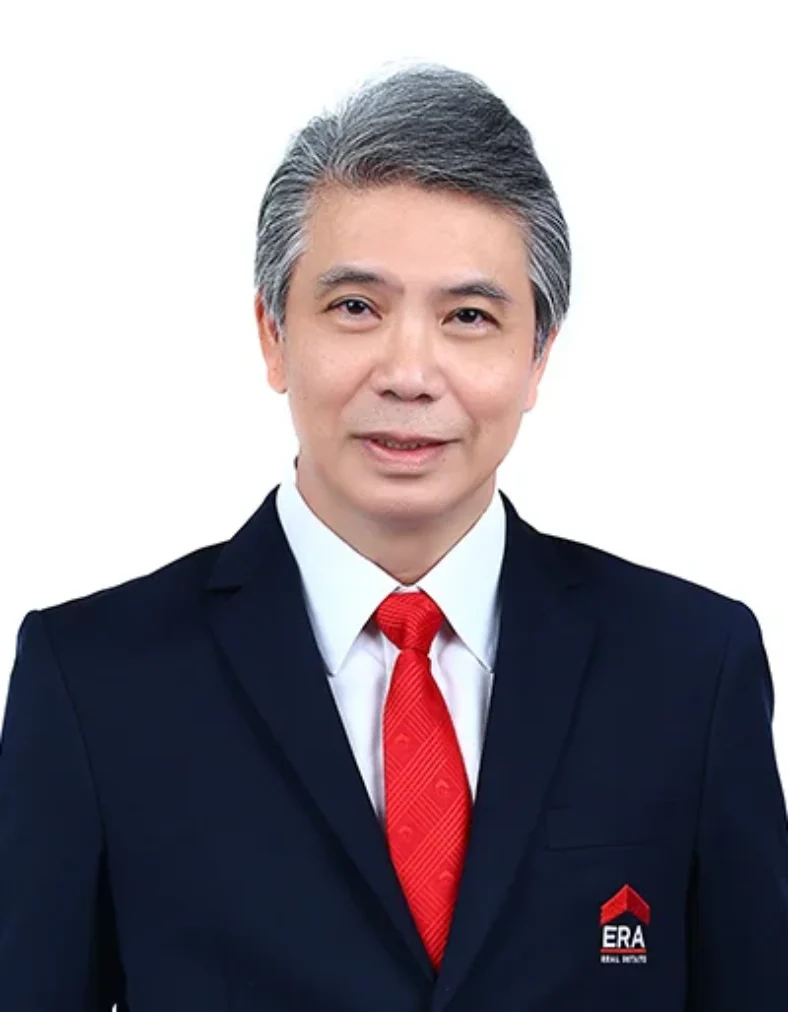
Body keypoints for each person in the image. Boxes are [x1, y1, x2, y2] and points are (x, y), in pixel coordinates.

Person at [1, 61, 786, 1012]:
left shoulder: (691, 667)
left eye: (469, 316)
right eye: (356, 308)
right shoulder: (91, 682)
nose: (409, 374)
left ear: (538, 356)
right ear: (273, 334)